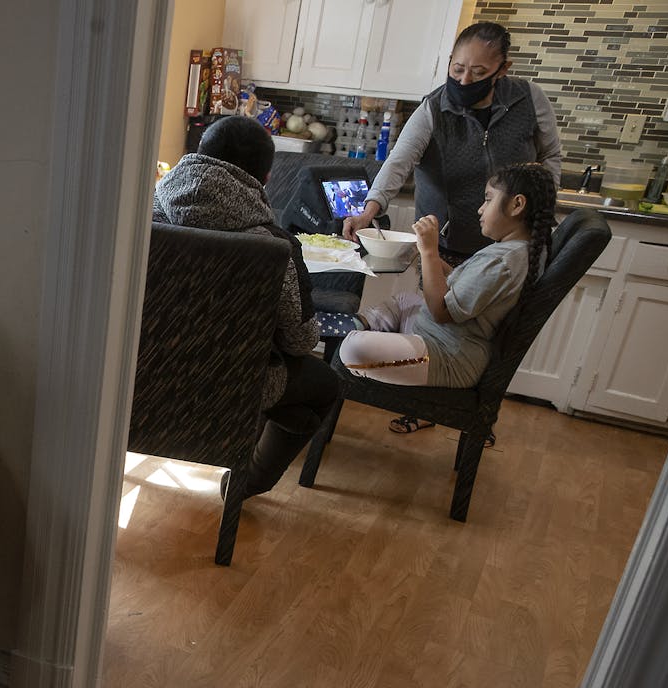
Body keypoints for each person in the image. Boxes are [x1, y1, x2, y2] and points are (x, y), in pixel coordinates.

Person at [340, 21, 562, 432]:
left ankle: (420, 394)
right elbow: (399, 161)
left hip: (490, 263)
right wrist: (370, 210)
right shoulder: (435, 106)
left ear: (503, 68)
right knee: (425, 307)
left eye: (478, 73)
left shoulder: (529, 101)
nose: (464, 79)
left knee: (443, 318)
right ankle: (391, 350)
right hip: (453, 243)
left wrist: (537, 212)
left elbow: (551, 160)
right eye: (457, 69)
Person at [153, 116, 338, 499]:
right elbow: (301, 342)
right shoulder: (273, 245)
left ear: (197, 155)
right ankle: (246, 482)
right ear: (265, 179)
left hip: (141, 372)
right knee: (324, 386)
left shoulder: (142, 217)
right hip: (230, 384)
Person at [339, 162, 556, 389]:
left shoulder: (502, 262)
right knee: (403, 301)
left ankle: (352, 331)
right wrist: (423, 254)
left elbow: (442, 312)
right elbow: (465, 287)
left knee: (353, 347)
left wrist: (430, 252)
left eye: (489, 199)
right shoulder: (515, 251)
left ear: (517, 204)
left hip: (448, 356)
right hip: (442, 337)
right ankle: (358, 324)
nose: (481, 209)